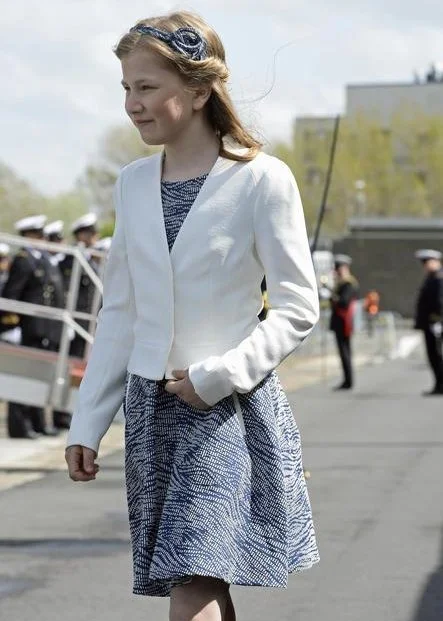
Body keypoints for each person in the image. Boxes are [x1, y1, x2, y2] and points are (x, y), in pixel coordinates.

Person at [65, 11, 320, 621]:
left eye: (148, 87)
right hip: (150, 413)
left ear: (200, 89)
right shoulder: (131, 184)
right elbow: (121, 312)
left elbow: (296, 306)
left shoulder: (263, 179)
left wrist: (219, 376)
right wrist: (86, 422)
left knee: (192, 583)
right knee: (199, 579)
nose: (132, 103)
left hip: (227, 409)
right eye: (126, 87)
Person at [1, 215, 65, 438]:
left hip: (43, 328)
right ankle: (20, 426)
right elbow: (11, 295)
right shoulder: (23, 259)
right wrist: (12, 325)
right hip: (28, 327)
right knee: (24, 379)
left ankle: (37, 422)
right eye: (37, 235)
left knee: (39, 378)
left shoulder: (41, 258)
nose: (41, 238)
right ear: (27, 236)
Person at [59, 213, 100, 358]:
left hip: (85, 319)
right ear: (82, 235)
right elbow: (67, 289)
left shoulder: (86, 258)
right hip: (76, 318)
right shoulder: (71, 260)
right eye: (92, 233)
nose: (96, 236)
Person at [414, 249, 443, 396]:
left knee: (437, 355)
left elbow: (439, 302)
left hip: (435, 323)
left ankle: (441, 385)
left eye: (427, 262)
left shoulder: (438, 278)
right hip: (429, 323)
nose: (425, 266)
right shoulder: (431, 277)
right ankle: (438, 384)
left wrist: (438, 320)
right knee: (433, 355)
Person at [329, 254, 359, 390]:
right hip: (340, 322)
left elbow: (344, 302)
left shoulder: (348, 283)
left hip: (344, 322)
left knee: (345, 352)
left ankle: (348, 381)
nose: (337, 271)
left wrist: (333, 297)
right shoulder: (340, 283)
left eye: (339, 268)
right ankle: (347, 379)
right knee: (343, 352)